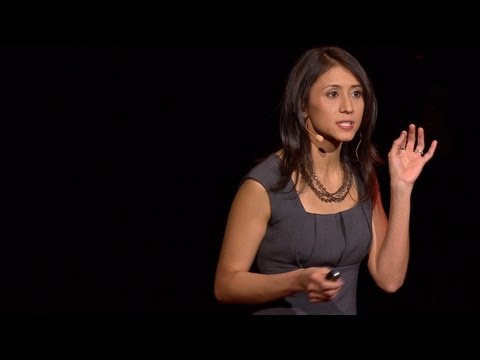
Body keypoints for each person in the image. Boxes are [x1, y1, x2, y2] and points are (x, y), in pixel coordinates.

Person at [214, 46, 438, 315]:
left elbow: (389, 279)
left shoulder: (363, 176)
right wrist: (296, 281)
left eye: (356, 94)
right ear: (303, 106)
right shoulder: (263, 185)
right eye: (333, 94)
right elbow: (226, 285)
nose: (348, 107)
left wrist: (402, 188)